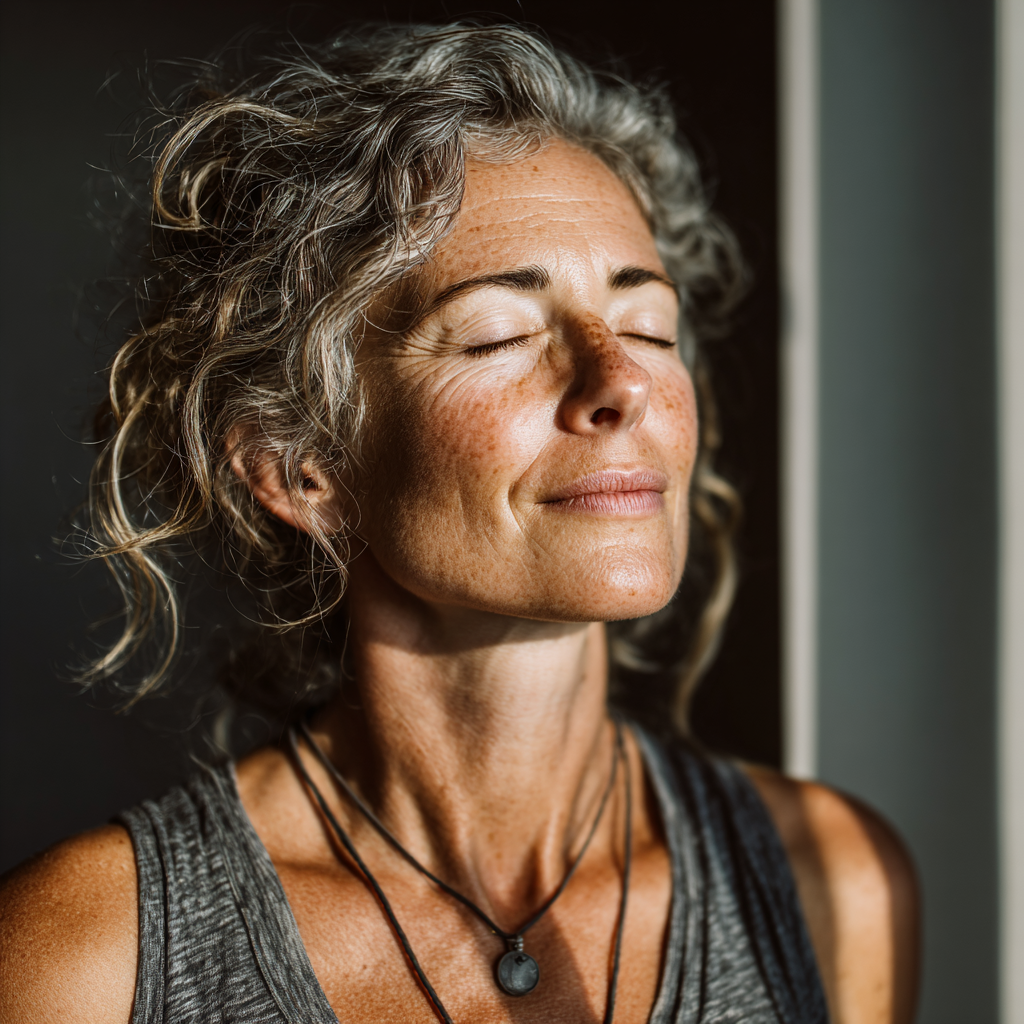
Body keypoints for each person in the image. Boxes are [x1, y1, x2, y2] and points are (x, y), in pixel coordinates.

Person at [0, 23, 918, 1023]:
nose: (621, 383)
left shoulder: (831, 885)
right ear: (298, 467)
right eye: (499, 334)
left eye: (648, 325)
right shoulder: (92, 957)